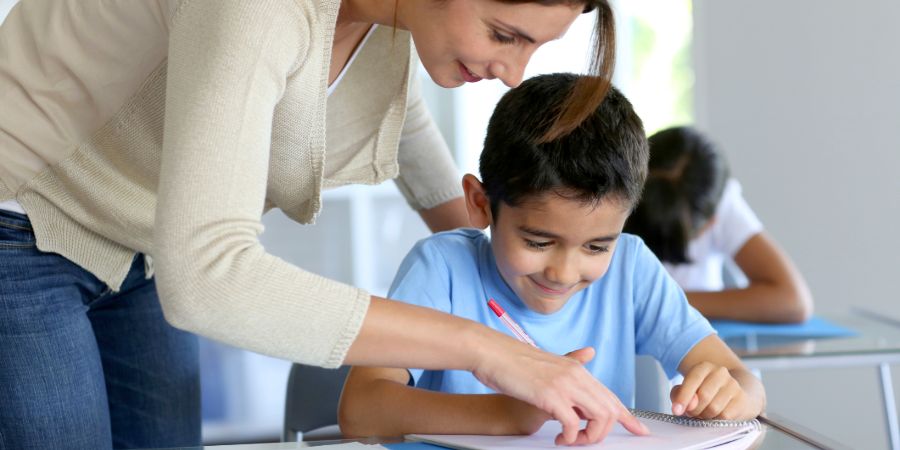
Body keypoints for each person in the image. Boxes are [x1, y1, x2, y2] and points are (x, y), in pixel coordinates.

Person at [0, 1, 625, 448]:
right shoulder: (260, 9)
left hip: (138, 244)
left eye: (535, 47)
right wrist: (491, 351)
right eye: (504, 34)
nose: (514, 73)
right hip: (18, 215)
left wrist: (532, 255)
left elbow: (409, 136)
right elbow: (209, 280)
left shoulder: (385, 20)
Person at [337, 74, 766, 443]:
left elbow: (746, 384)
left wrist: (729, 394)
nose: (563, 273)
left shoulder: (630, 267)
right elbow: (361, 409)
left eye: (597, 246)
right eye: (538, 242)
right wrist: (510, 415)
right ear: (481, 203)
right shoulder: (442, 270)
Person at [624, 126, 813, 323]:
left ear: (712, 222)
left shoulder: (720, 202)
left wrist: (665, 301)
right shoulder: (614, 192)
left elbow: (793, 302)